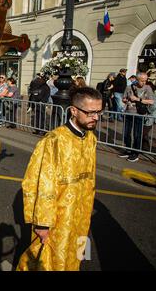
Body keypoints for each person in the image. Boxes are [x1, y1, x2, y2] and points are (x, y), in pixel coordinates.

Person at [17, 87, 103, 271]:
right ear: (74, 110)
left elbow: (90, 181)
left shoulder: (91, 138)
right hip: (57, 218)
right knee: (49, 260)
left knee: (78, 255)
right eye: (90, 112)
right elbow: (40, 182)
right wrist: (42, 223)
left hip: (81, 216)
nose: (95, 117)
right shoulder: (53, 140)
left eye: (98, 112)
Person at [118, 73, 155, 162]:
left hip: (139, 115)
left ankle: (135, 153)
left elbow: (152, 101)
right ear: (137, 79)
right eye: (142, 80)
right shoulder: (129, 87)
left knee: (137, 134)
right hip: (128, 113)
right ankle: (128, 150)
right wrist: (126, 100)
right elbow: (123, 98)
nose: (144, 82)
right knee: (126, 133)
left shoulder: (147, 88)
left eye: (145, 80)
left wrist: (138, 99)